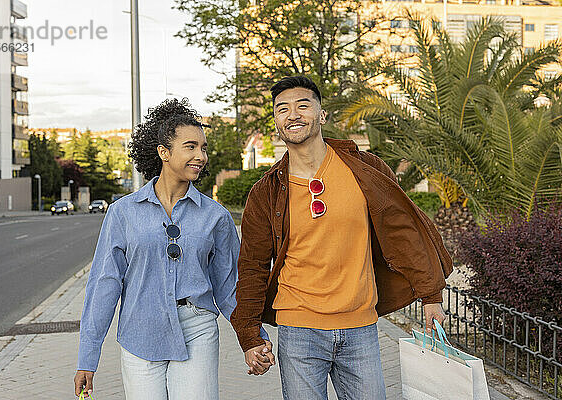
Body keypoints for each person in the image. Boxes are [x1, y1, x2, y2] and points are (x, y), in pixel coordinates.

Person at [230, 76, 453, 400]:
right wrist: (249, 334)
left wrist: (431, 295)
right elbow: (251, 266)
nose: (293, 114)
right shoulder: (266, 192)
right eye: (282, 109)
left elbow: (401, 231)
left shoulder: (364, 169)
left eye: (302, 105)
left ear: (321, 115)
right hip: (299, 329)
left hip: (360, 327)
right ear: (276, 121)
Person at [73, 98, 268, 400]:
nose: (200, 156)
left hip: (197, 329)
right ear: (164, 152)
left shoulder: (215, 216)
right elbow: (104, 284)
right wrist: (88, 357)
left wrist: (253, 339)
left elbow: (230, 287)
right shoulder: (123, 213)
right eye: (190, 147)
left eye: (203, 148)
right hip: (139, 332)